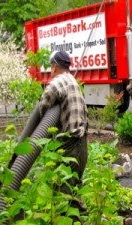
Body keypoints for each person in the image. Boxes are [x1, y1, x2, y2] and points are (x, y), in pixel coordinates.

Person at [39, 51, 88, 193]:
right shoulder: (72, 80)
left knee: (65, 189)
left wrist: (44, 123)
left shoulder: (59, 81)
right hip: (81, 142)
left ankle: (75, 214)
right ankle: (80, 214)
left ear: (54, 67)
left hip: (70, 144)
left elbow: (45, 101)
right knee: (75, 186)